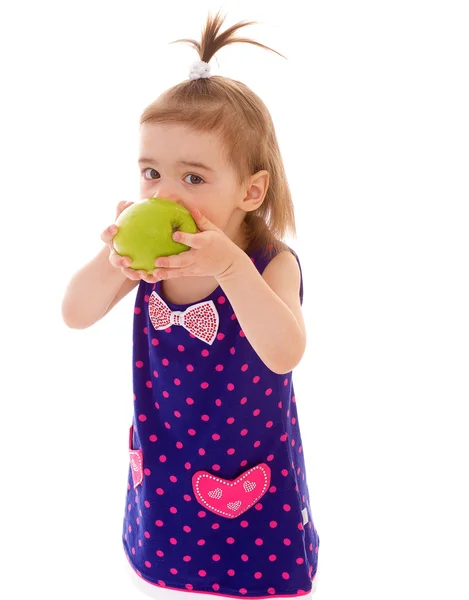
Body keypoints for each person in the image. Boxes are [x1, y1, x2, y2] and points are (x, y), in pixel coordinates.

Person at [62, 9, 320, 599]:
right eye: (152, 173)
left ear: (250, 192)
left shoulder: (268, 263)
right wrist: (113, 262)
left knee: (258, 570)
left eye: (194, 178)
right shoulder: (150, 260)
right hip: (167, 458)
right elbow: (74, 313)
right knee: (169, 569)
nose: (163, 194)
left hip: (250, 460)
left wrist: (230, 268)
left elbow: (284, 353)